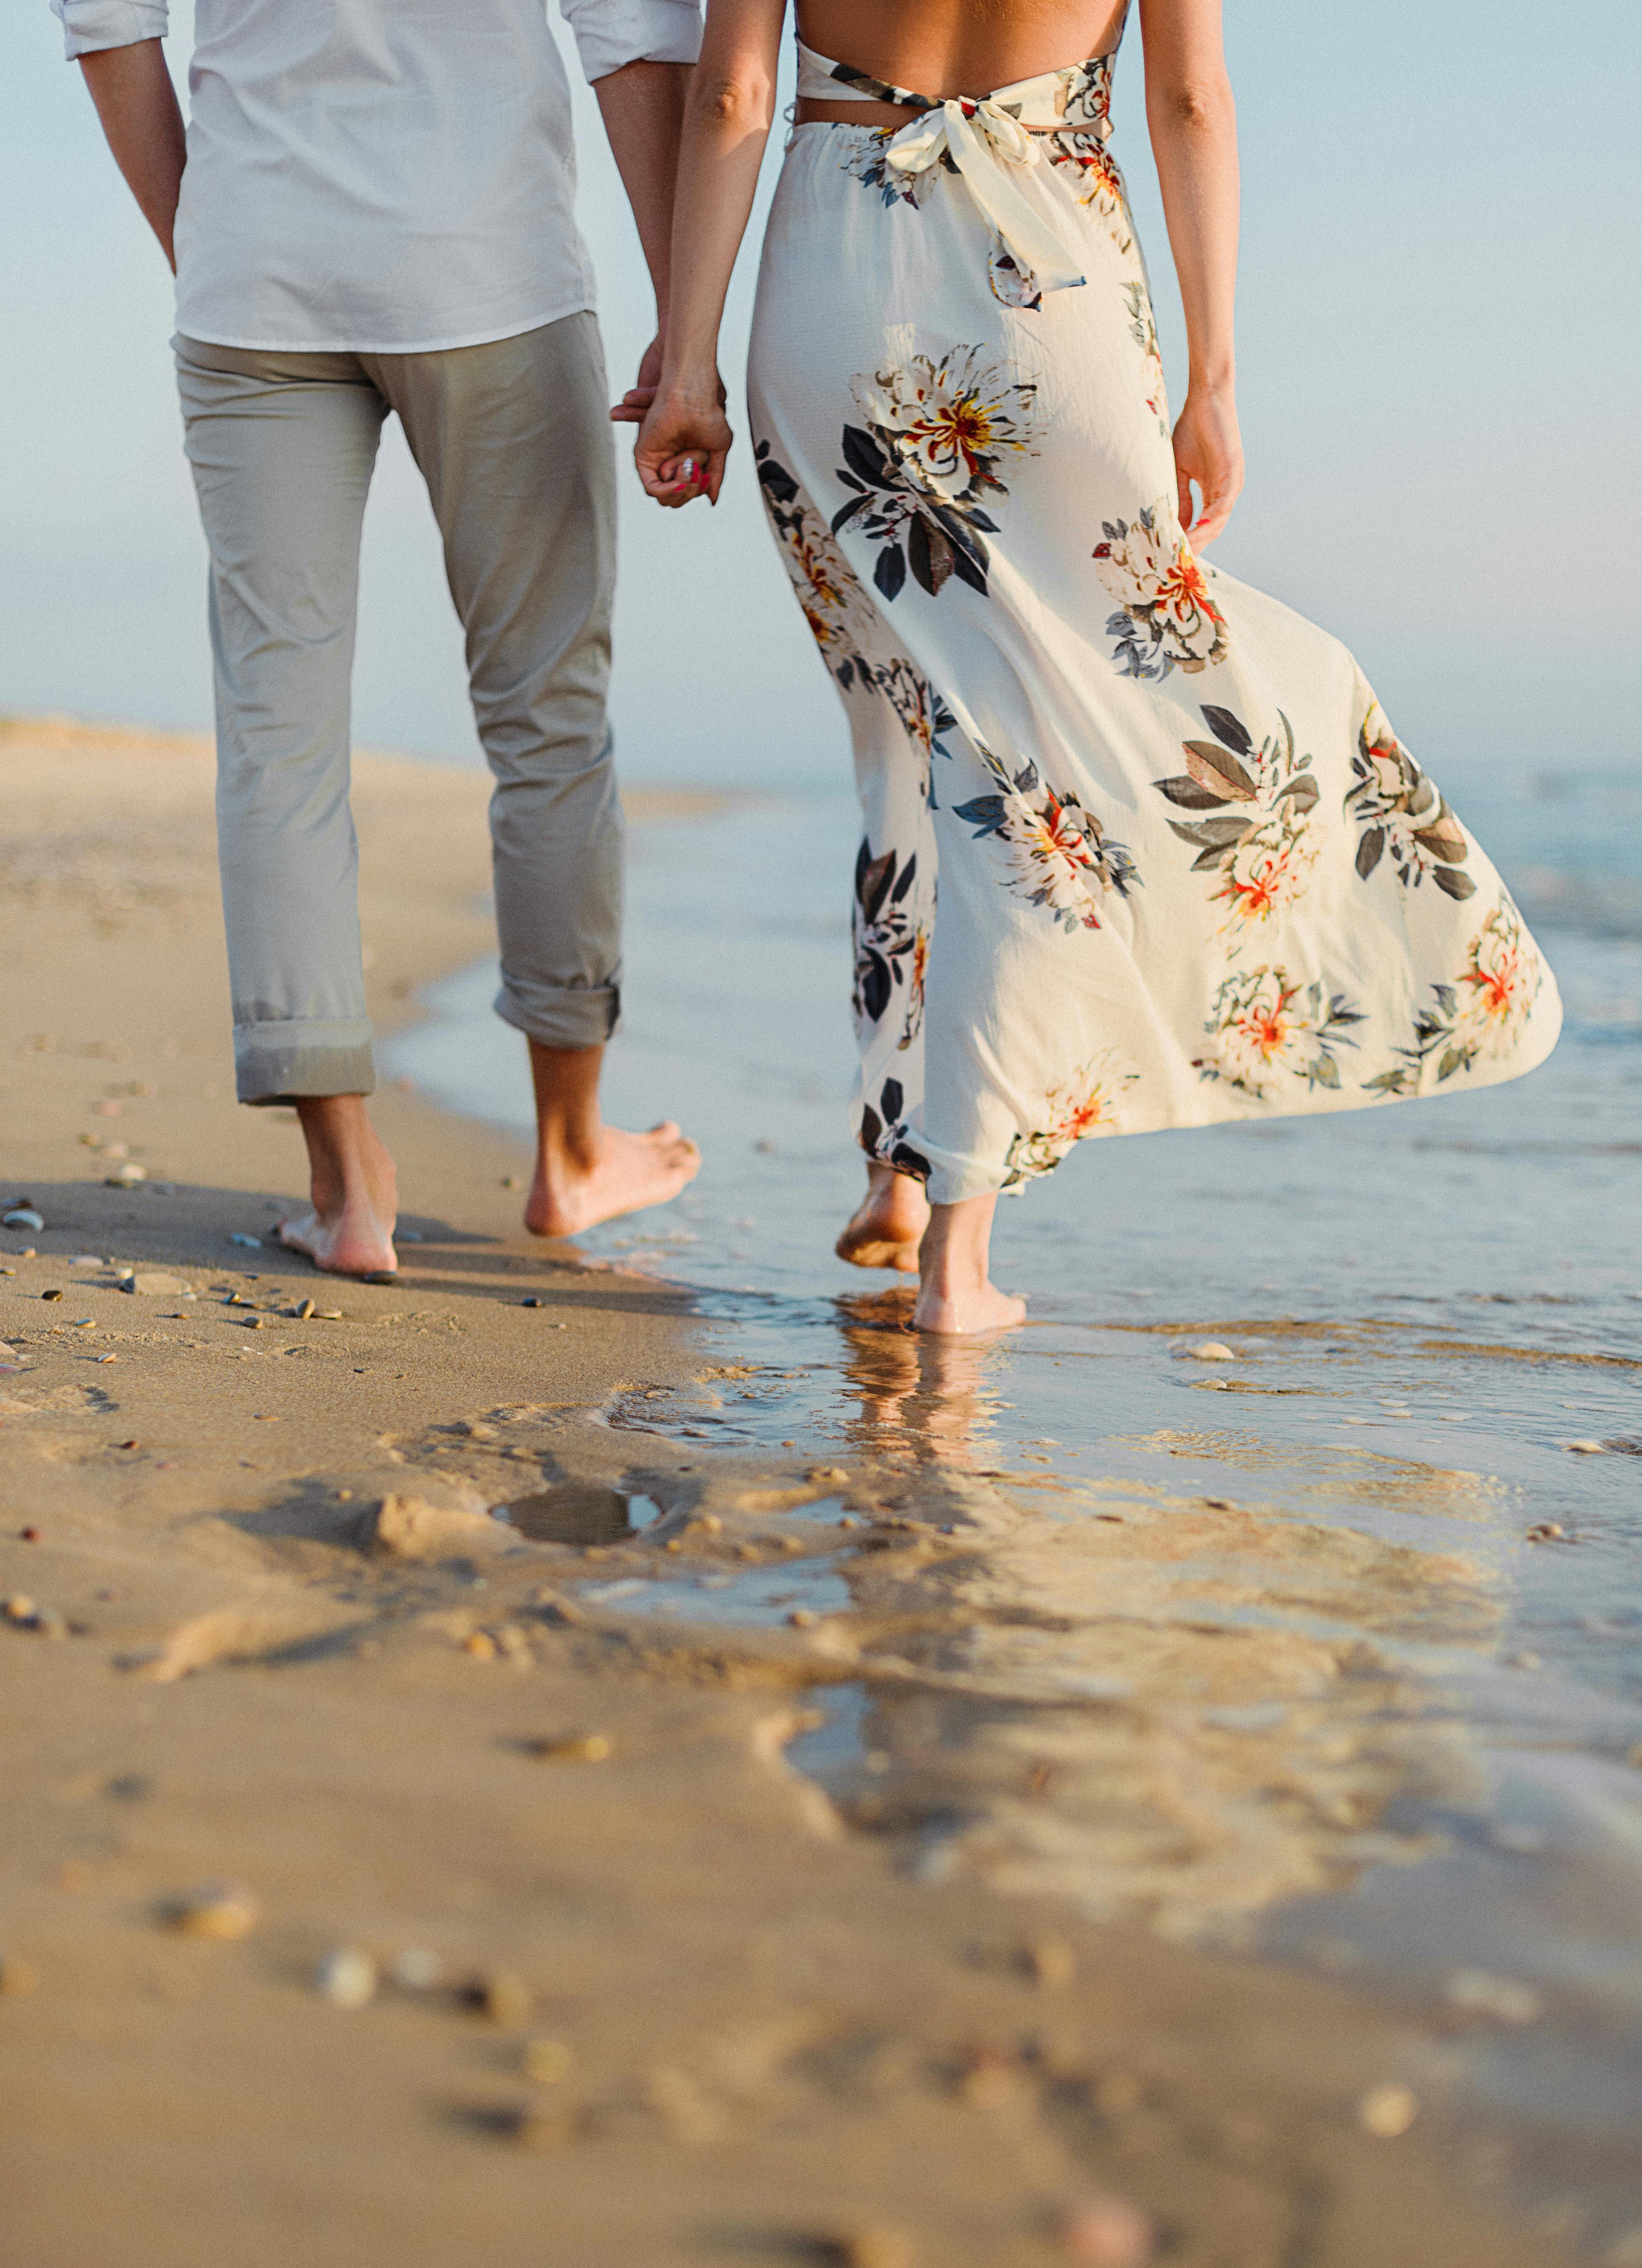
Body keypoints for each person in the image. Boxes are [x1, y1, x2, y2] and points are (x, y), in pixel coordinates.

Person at [631, 0, 1561, 1331]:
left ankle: (903, 1162)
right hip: (1051, 286)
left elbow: (730, 99)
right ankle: (951, 1243)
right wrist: (1215, 379)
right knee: (1037, 751)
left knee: (907, 732)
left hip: (829, 296)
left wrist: (688, 360)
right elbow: (1191, 106)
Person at [54, 0, 706, 1281]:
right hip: (491, 270)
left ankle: (348, 1188)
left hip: (256, 286)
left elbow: (106, 24)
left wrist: (218, 244)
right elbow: (631, 32)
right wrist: (687, 328)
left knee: (276, 736)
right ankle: (570, 1153)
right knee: (547, 719)